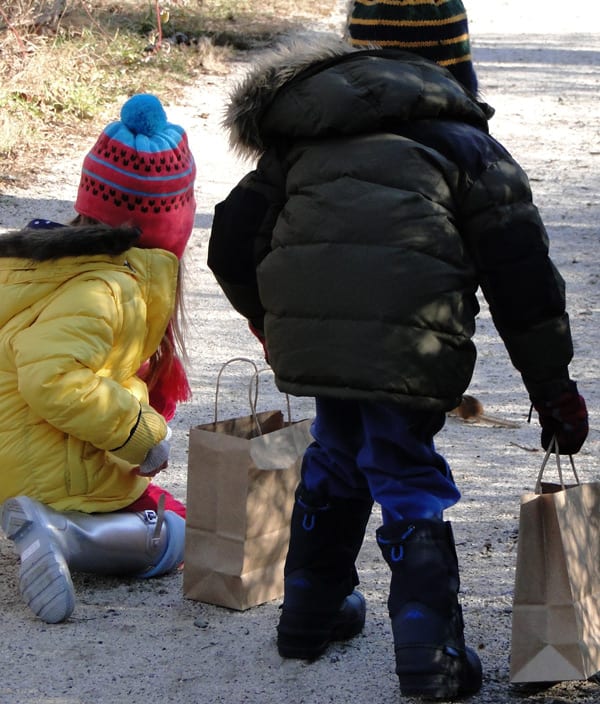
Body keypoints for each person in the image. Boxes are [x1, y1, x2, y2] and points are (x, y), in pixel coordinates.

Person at [207, 1, 589, 698]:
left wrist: (272, 322)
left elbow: (231, 240)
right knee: (402, 464)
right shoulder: (467, 146)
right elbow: (522, 278)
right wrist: (552, 387)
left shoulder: (304, 137)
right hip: (414, 339)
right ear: (456, 61)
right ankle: (431, 652)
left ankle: (309, 614)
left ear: (353, 56)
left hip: (320, 337)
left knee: (337, 448)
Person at [0, 93, 197, 625]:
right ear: (175, 223)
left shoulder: (42, 259)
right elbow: (52, 377)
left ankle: (58, 524)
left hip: (14, 453)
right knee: (179, 535)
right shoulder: (112, 288)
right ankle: (66, 535)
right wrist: (140, 432)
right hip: (43, 472)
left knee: (159, 503)